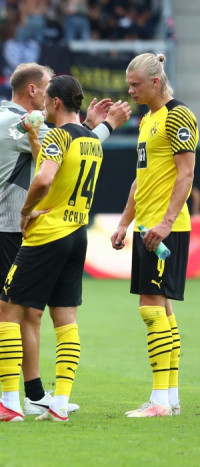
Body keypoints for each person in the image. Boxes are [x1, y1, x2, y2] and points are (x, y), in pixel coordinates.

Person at [0, 62, 131, 417]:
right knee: (36, 314)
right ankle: (10, 398)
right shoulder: (16, 123)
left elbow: (50, 166)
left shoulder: (54, 132)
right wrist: (101, 127)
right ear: (33, 90)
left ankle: (18, 399)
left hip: (40, 229)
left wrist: (27, 211)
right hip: (26, 228)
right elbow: (67, 144)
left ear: (55, 101)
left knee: (15, 313)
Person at [112, 53, 197, 417]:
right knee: (162, 308)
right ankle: (170, 398)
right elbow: (140, 178)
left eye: (135, 85)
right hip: (147, 227)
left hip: (165, 230)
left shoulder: (178, 115)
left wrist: (165, 223)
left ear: (156, 82)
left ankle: (159, 401)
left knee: (150, 308)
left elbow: (186, 174)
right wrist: (124, 222)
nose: (130, 91)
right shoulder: (148, 119)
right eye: (129, 85)